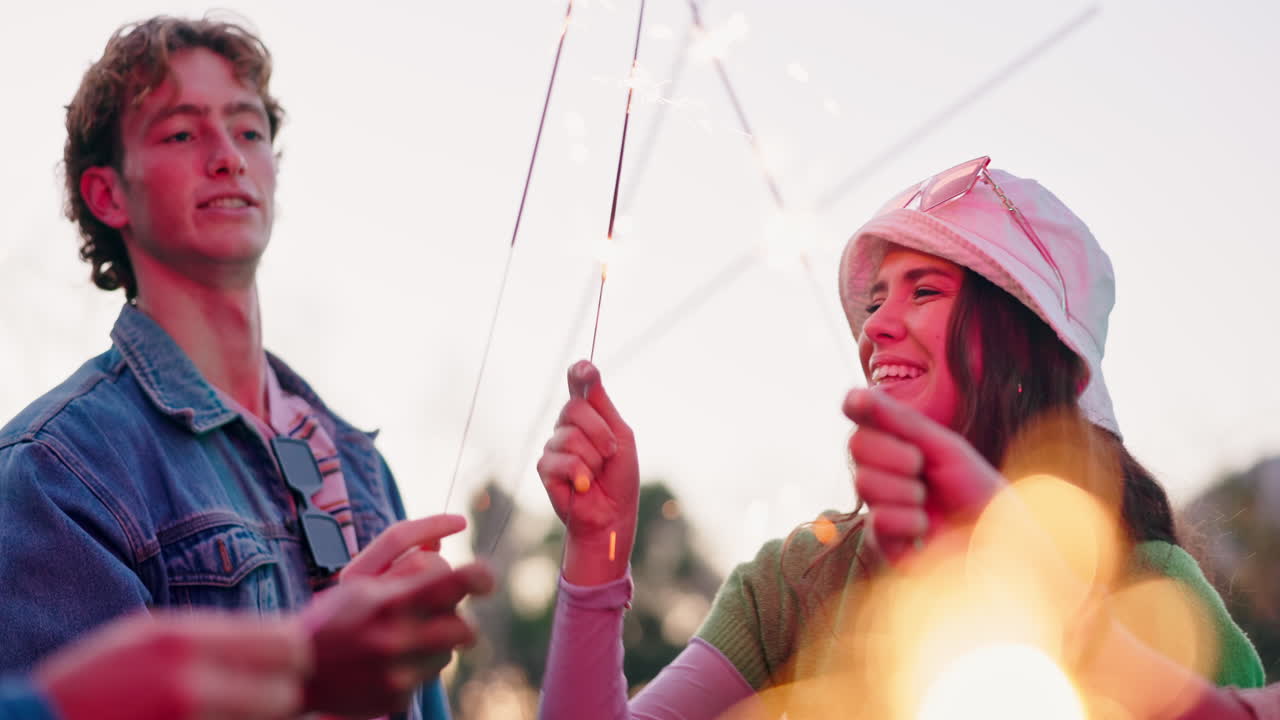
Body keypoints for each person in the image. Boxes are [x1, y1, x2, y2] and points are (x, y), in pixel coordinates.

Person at [533, 156, 1265, 718]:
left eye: (925, 290)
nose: (876, 326)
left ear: (1024, 348)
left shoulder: (1152, 591)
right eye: (875, 298)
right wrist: (596, 553)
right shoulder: (796, 580)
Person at [0, 16, 491, 719]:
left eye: (249, 130)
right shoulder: (56, 471)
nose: (227, 155)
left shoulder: (360, 468)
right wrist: (314, 677)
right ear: (107, 194)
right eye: (180, 132)